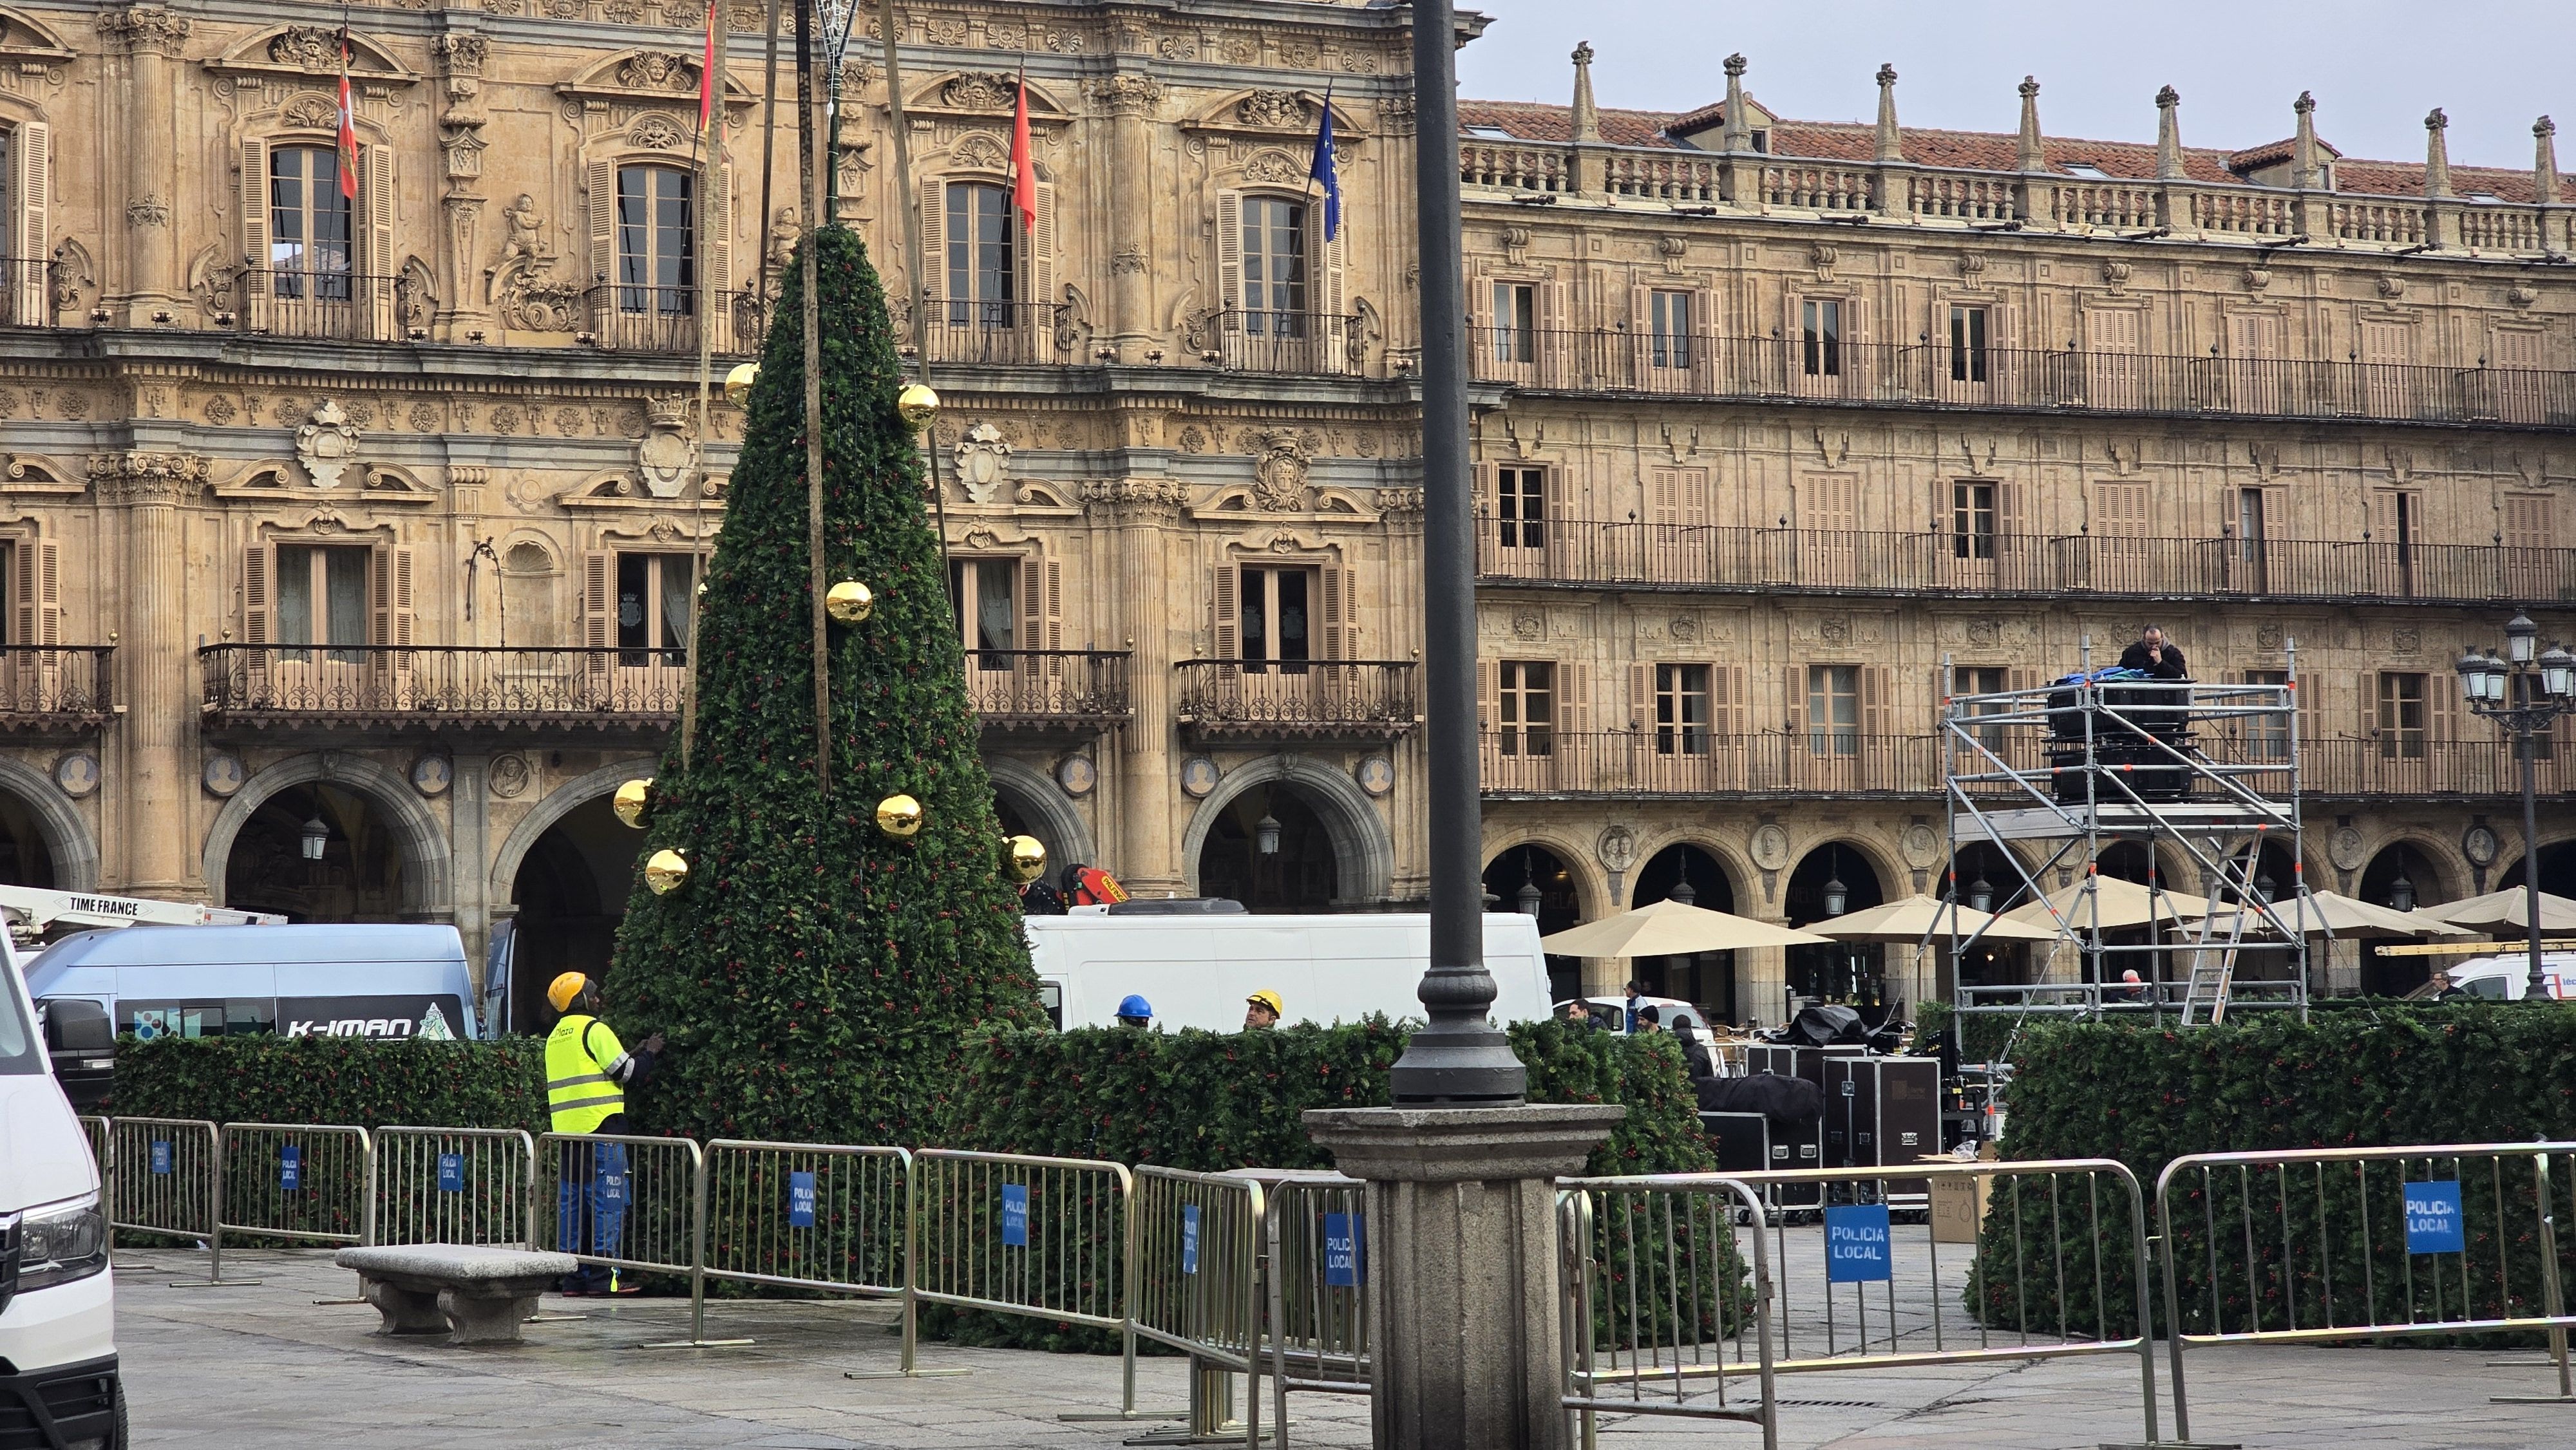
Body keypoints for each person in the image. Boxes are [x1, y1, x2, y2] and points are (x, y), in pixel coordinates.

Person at [544, 972, 663, 1296]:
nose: (598, 999)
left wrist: (630, 1053)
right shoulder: (595, 1029)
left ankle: (573, 1279)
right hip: (603, 1129)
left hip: (568, 1135)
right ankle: (604, 1279)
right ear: (580, 1000)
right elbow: (628, 1073)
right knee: (607, 1204)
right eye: (593, 994)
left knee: (573, 1207)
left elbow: (594, 1070)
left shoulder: (556, 1036)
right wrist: (649, 1053)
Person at [2117, 624, 2188, 681]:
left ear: (2162, 638)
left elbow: (2182, 676)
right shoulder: (2132, 652)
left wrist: (2161, 663)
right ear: (2144, 639)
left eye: (2157, 643)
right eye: (2150, 643)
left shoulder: (2173, 653)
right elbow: (2120, 673)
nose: (2154, 646)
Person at [1669, 1012, 1719, 1079]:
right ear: (1690, 1028)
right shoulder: (1701, 1049)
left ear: (1674, 1030)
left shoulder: (1669, 1050)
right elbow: (1709, 1076)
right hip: (1701, 1088)